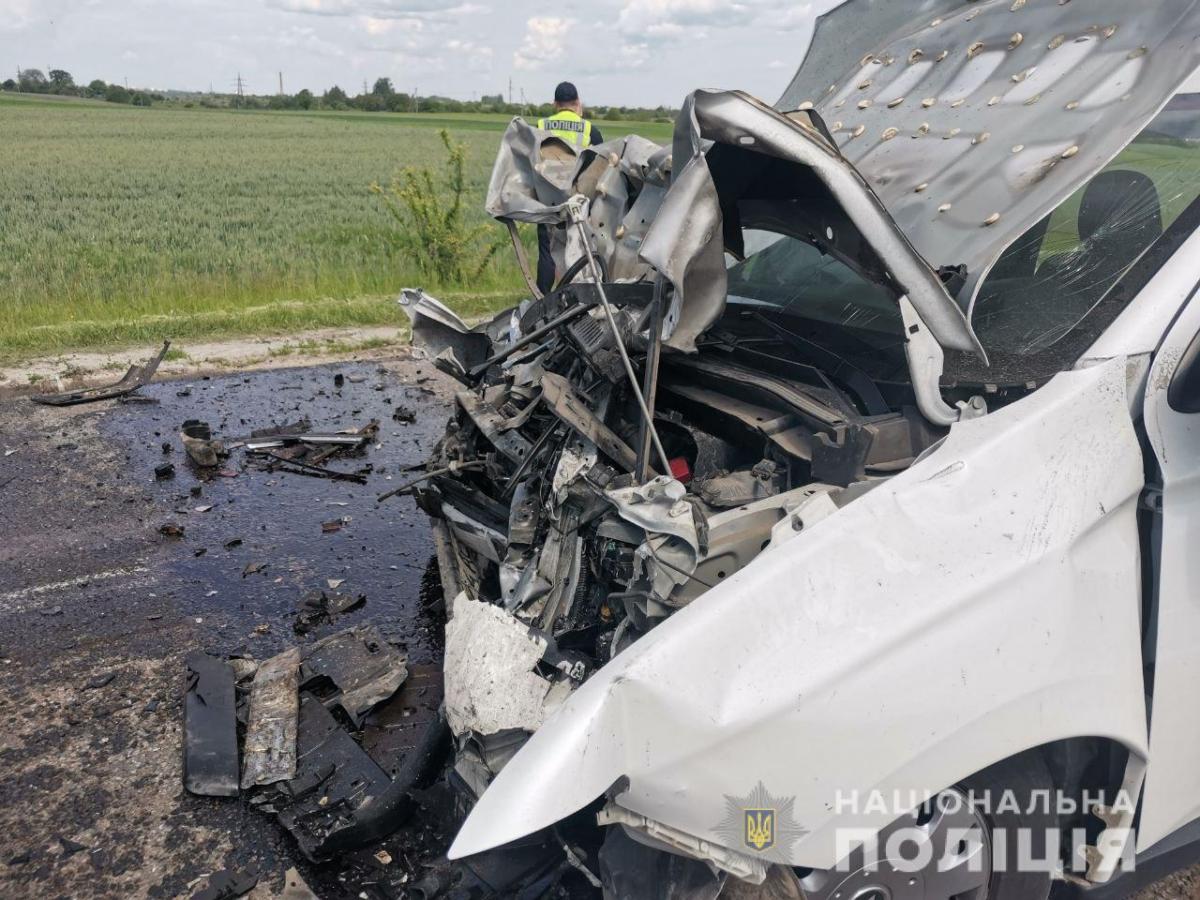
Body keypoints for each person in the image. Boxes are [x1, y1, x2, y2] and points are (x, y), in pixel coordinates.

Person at [536, 81, 604, 294]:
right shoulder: (590, 130)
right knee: (580, 249)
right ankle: (577, 296)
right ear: (577, 102)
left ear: (555, 104)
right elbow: (598, 167)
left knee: (547, 252)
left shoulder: (540, 126)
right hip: (578, 201)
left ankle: (542, 298)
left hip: (547, 199)